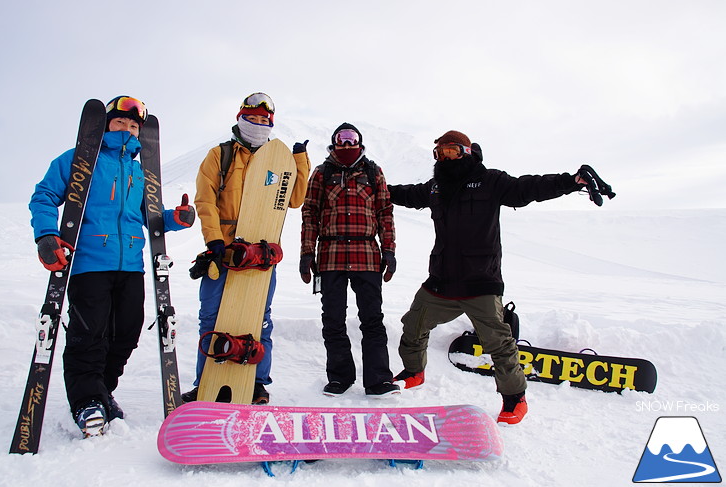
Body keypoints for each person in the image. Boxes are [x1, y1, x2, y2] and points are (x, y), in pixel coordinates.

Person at [388, 130, 602, 424]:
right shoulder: (436, 188)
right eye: (439, 153)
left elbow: (530, 188)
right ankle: (414, 372)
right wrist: (375, 187)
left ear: (466, 151)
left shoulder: (491, 181)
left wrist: (571, 181)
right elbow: (405, 194)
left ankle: (515, 399)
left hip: (480, 282)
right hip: (442, 279)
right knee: (413, 324)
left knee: (499, 344)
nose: (444, 157)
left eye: (451, 150)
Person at [29, 96, 195, 437]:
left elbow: (149, 216)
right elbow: (44, 195)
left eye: (134, 125)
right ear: (105, 124)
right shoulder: (79, 161)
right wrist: (46, 234)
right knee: (89, 335)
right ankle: (87, 400)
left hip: (131, 265)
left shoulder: (140, 170)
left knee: (127, 333)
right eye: (121, 122)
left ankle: (102, 390)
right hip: (89, 262)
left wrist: (175, 219)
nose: (129, 129)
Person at [182, 92, 310, 405]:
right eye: (252, 118)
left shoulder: (277, 161)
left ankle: (255, 384)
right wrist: (213, 239)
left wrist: (299, 163)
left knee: (259, 318)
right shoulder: (220, 155)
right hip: (223, 251)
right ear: (240, 119)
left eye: (264, 120)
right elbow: (205, 199)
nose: (257, 124)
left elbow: (293, 200)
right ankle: (206, 384)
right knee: (211, 318)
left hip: (259, 255)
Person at [300, 123, 400, 398]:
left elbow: (385, 213)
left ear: (359, 141)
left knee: (372, 319)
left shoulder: (373, 172)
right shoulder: (322, 173)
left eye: (351, 139)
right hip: (330, 256)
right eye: (341, 139)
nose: (346, 144)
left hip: (367, 255)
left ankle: (378, 380)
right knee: (333, 320)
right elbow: (310, 213)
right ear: (333, 143)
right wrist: (307, 252)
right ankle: (340, 378)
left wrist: (389, 251)